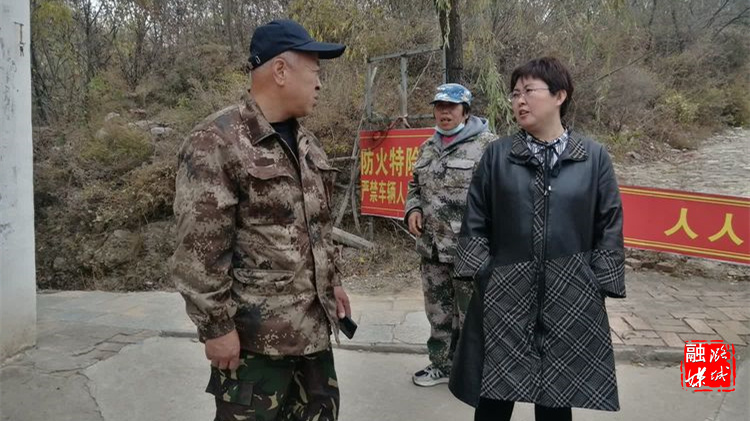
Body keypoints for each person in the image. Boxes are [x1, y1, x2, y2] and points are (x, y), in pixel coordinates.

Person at [170, 19, 352, 421]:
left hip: (313, 339)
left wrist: (333, 280)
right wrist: (216, 328)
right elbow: (199, 251)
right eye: (315, 71)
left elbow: (317, 228)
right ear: (281, 70)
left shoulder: (307, 145)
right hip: (255, 348)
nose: (320, 84)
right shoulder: (217, 141)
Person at [450, 57, 626, 420]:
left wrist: (596, 280)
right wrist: (484, 272)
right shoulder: (498, 156)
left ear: (560, 95)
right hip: (505, 293)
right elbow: (475, 220)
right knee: (494, 396)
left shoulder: (592, 158)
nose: (519, 101)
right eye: (515, 93)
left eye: (529, 91)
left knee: (555, 401)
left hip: (569, 294)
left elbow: (608, 224)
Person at [404, 83, 496, 387]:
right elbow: (415, 186)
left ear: (465, 112)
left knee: (471, 314)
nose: (444, 112)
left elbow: (500, 196)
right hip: (431, 248)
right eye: (439, 107)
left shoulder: (488, 147)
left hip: (469, 250)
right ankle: (442, 365)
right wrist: (413, 209)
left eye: (451, 107)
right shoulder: (428, 147)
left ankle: (474, 372)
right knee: (438, 313)